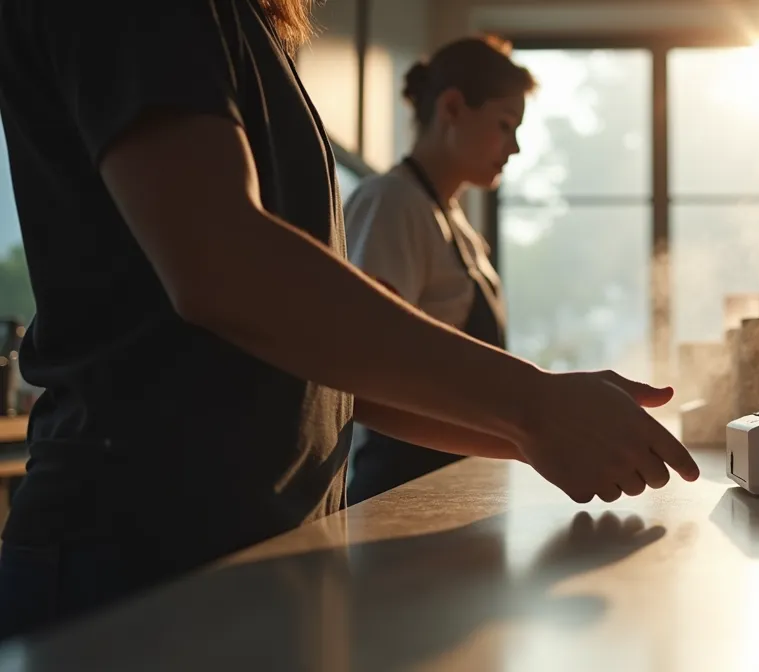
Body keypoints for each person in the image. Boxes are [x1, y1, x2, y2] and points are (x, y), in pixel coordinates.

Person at [0, 0, 698, 642]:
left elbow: (334, 371)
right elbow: (222, 265)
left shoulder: (245, 30)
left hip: (251, 551)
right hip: (133, 559)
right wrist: (535, 406)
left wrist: (531, 431)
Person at [343, 36, 529, 504]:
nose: (516, 147)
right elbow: (369, 366)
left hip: (455, 487)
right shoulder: (391, 203)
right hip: (401, 491)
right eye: (505, 125)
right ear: (452, 107)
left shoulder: (461, 229)